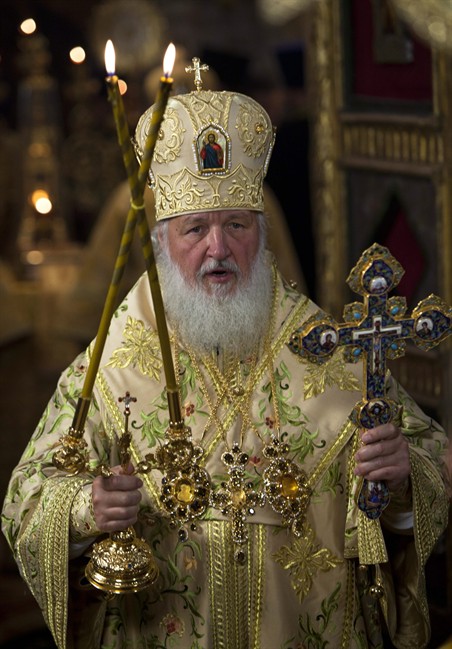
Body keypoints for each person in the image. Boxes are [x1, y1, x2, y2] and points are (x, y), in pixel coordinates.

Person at [1, 76, 450, 649]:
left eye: (236, 225)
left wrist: (402, 478)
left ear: (262, 236)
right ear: (162, 241)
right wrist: (85, 509)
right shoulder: (112, 365)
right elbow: (25, 501)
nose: (218, 248)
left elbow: (430, 462)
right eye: (196, 229)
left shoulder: (326, 348)